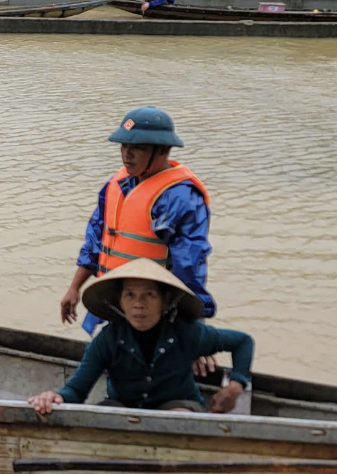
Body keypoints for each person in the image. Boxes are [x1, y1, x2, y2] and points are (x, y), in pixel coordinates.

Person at [60, 107, 214, 340]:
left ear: (162, 150)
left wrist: (193, 330)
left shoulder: (180, 198)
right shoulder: (118, 184)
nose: (127, 155)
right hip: (116, 302)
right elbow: (96, 239)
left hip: (155, 313)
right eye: (124, 146)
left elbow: (190, 266)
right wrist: (75, 288)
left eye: (138, 148)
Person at [29, 260, 252, 415]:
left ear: (164, 301)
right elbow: (77, 390)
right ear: (120, 302)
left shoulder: (187, 332)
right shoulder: (108, 339)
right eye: (130, 295)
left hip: (178, 407)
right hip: (124, 407)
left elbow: (243, 342)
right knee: (105, 414)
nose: (139, 303)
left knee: (177, 418)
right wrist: (54, 398)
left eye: (149, 295)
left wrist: (236, 385)